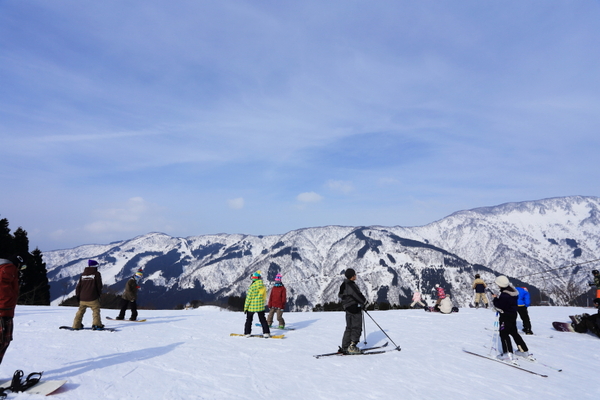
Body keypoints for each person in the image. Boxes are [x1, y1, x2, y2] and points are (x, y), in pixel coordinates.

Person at [492, 276, 533, 361]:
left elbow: (500, 305)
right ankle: (523, 351)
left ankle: (507, 353)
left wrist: (495, 299)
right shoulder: (513, 291)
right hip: (513, 314)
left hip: (505, 316)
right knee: (514, 333)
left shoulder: (505, 295)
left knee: (504, 333)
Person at [0, 254, 23, 365]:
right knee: (3, 341)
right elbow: (3, 287)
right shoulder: (9, 268)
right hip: (3, 312)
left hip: (5, 311)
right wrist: (6, 305)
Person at [338, 268, 367, 354]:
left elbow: (341, 296)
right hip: (355, 309)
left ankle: (345, 346)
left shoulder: (343, 285)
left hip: (347, 309)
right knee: (356, 327)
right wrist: (365, 303)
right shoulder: (351, 285)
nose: (356, 276)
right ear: (352, 276)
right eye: (354, 274)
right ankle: (352, 346)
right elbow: (357, 295)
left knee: (349, 327)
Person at [72, 260, 104, 330]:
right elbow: (99, 286)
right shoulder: (96, 274)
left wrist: (78, 296)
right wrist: (99, 295)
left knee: (80, 311)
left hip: (82, 298)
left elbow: (78, 287)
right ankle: (96, 325)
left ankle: (76, 325)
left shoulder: (83, 274)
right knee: (96, 311)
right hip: (93, 297)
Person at [243, 271, 271, 338]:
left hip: (251, 306)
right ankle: (266, 332)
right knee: (263, 320)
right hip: (260, 306)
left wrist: (245, 308)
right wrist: (262, 303)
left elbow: (248, 298)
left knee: (249, 320)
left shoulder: (252, 287)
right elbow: (264, 296)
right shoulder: (263, 286)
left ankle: (247, 333)